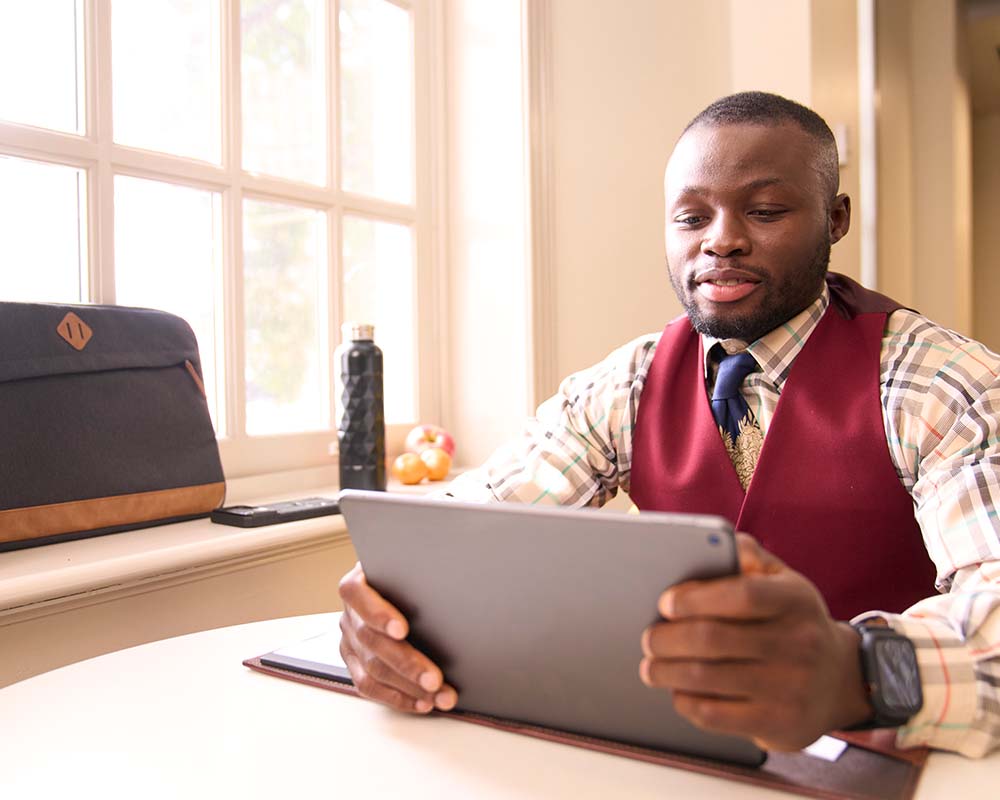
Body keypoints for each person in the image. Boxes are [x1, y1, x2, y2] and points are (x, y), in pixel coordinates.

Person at [338, 91, 1000, 758]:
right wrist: (385, 605)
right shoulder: (626, 383)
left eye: (765, 211)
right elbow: (464, 529)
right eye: (690, 217)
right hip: (687, 765)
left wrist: (857, 671)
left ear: (835, 219)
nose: (720, 239)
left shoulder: (938, 383)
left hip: (902, 767)